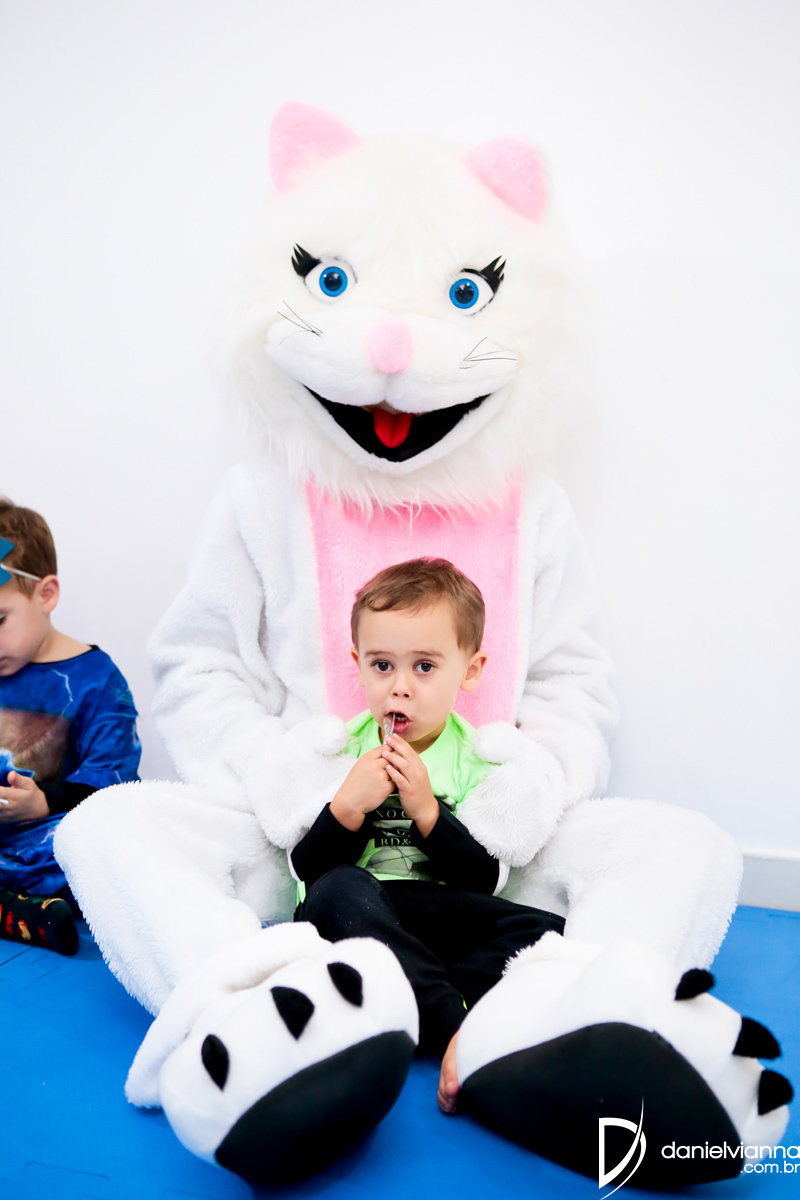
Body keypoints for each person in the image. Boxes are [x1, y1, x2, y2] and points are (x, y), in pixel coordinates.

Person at [291, 558, 566, 1115]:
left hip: (438, 917)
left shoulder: (476, 759)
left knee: (546, 931)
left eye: (423, 667)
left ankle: (415, 998)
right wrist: (347, 807)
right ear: (357, 666)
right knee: (337, 890)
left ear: (470, 670)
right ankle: (452, 1024)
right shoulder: (338, 750)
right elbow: (307, 872)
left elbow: (484, 880)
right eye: (382, 665)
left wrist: (427, 811)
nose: (400, 688)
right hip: (363, 913)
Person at [0, 499, 141, 954]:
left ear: (45, 595)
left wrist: (41, 802)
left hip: (49, 841)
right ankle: (22, 914)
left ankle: (24, 908)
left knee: (105, 850)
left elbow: (113, 780)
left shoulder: (98, 681)